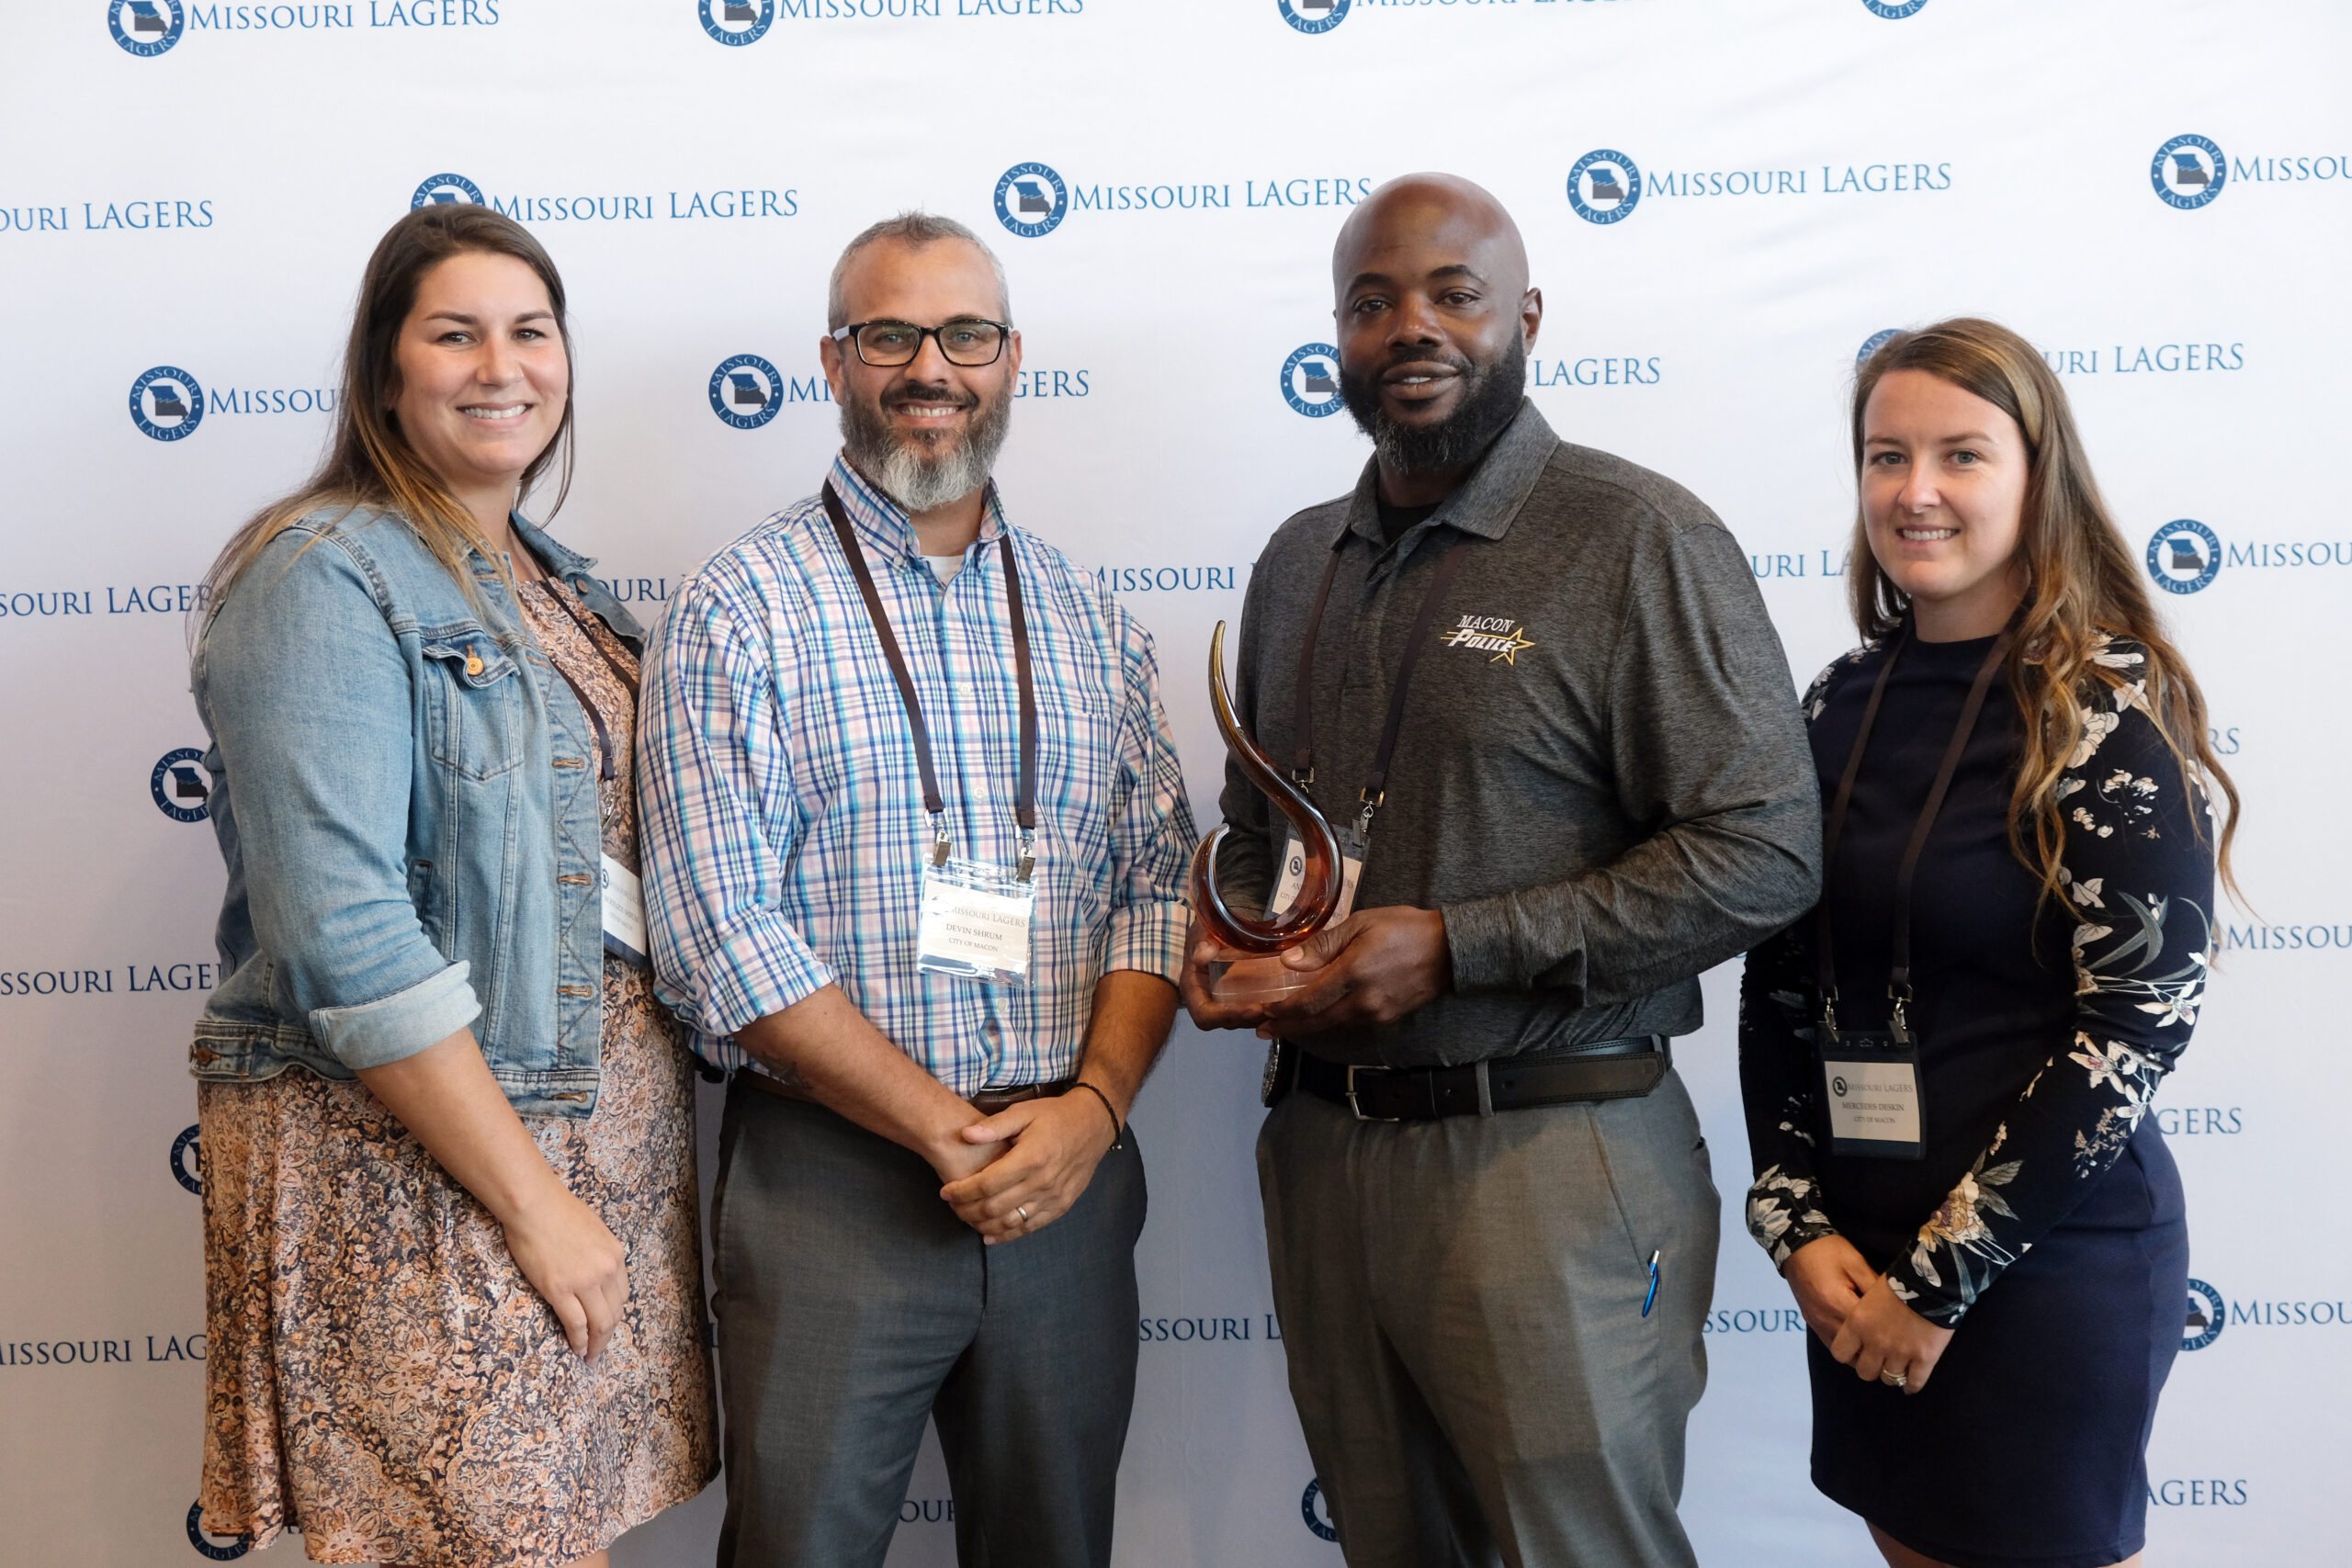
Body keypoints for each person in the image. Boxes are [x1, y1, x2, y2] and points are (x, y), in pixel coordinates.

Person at [1180, 173, 1822, 1567]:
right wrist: (1236, 936)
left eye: (1453, 294)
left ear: (1525, 316)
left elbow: (1768, 854)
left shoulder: (1638, 535)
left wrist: (1460, 945)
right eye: (1372, 302)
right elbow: (1257, 828)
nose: (1412, 326)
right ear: (1336, 338)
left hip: (1546, 1151)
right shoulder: (1302, 560)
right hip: (1324, 1152)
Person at [636, 211, 1198, 1568]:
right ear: (835, 358)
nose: (930, 367)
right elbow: (720, 934)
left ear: (1013, 360)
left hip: (1067, 1176)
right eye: (891, 334)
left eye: (965, 335)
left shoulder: (1089, 619)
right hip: (834, 1182)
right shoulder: (740, 608)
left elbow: (1157, 888)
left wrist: (1095, 1108)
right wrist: (946, 1132)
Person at [187, 204, 717, 1567]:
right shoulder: (322, 575)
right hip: (431, 1185)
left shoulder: (554, 586)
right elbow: (341, 931)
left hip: (577, 1175)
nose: (503, 365)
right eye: (455, 333)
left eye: (531, 332)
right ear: (383, 373)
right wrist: (537, 1208)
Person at [1737, 317, 2237, 1568]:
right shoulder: (1835, 703)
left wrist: (1936, 1287)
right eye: (1884, 456)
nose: (1915, 492)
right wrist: (1799, 1228)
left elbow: (2133, 1028)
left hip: (2040, 1277)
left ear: (2035, 476)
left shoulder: (2105, 711)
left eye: (1961, 455)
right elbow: (1780, 983)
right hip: (1859, 1268)